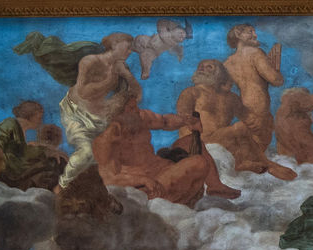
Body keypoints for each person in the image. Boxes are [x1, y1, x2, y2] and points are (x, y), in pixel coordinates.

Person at [92, 85, 240, 206]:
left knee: (191, 141)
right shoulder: (105, 139)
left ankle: (215, 186)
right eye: (131, 109)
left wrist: (186, 121)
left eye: (135, 106)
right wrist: (142, 180)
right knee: (198, 162)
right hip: (150, 185)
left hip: (164, 170)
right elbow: (107, 178)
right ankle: (170, 201)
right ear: (117, 114)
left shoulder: (140, 118)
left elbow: (165, 121)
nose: (137, 111)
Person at [176, 58, 296, 183]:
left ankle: (245, 163)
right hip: (197, 140)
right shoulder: (192, 92)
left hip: (222, 139)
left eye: (209, 67)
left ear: (220, 74)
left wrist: (257, 123)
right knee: (240, 128)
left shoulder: (231, 98)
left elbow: (247, 117)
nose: (202, 68)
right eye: (200, 66)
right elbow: (182, 116)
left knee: (245, 130)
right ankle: (268, 164)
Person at [56, 33, 138, 187]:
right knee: (86, 153)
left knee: (103, 159)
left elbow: (136, 96)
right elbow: (83, 92)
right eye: (128, 47)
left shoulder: (122, 67)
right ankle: (62, 186)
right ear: (115, 44)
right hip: (77, 114)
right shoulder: (90, 61)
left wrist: (127, 75)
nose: (130, 51)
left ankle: (85, 189)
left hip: (100, 119)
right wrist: (109, 80)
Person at [223, 24, 285, 144]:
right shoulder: (256, 53)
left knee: (251, 144)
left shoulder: (227, 63)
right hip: (259, 109)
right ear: (238, 34)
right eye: (250, 32)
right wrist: (276, 68)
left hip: (243, 110)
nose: (255, 35)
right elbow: (277, 81)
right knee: (259, 145)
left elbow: (224, 89)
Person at [0, 100, 66, 191]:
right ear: (30, 116)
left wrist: (48, 152)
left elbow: (25, 153)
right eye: (39, 118)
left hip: (20, 175)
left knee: (58, 163)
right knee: (56, 164)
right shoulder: (10, 124)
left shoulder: (22, 133)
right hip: (12, 177)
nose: (41, 122)